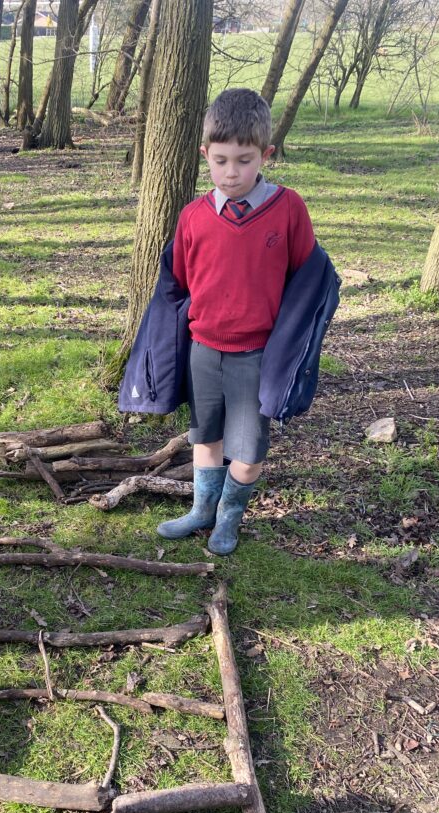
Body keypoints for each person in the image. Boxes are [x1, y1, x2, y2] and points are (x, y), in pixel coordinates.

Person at [156, 88, 316, 554]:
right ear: (204, 154)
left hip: (257, 354)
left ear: (265, 154)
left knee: (247, 452)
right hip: (203, 349)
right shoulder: (192, 216)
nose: (231, 172)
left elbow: (305, 280)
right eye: (221, 160)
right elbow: (183, 279)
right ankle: (201, 510)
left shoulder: (288, 210)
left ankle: (229, 517)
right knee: (206, 437)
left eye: (244, 161)